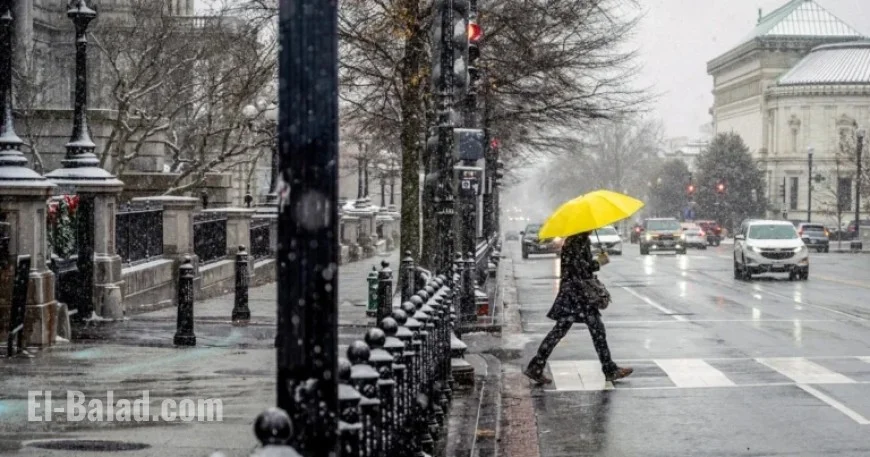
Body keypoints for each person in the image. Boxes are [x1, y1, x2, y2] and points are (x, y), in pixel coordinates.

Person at [524, 231, 633, 384]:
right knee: (596, 331)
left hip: (573, 293)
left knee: (562, 331)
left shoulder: (575, 241)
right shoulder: (577, 242)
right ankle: (610, 369)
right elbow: (582, 269)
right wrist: (599, 262)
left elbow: (578, 267)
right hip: (578, 294)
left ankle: (536, 366)